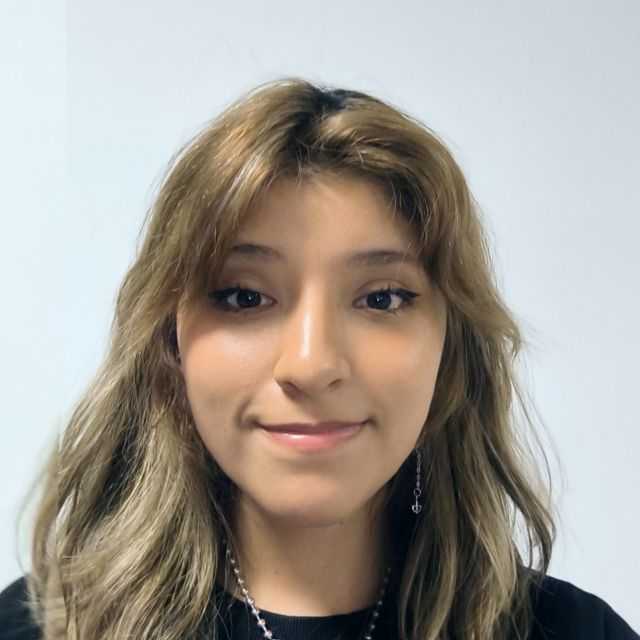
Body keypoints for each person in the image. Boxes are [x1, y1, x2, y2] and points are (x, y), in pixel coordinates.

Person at [0, 77, 638, 640]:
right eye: (244, 296)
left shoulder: (575, 633)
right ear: (171, 342)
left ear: (451, 350)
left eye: (381, 299)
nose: (310, 365)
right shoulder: (44, 628)